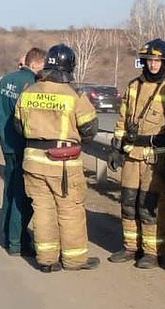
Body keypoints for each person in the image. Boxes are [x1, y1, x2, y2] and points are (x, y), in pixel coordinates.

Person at [14, 45, 101, 272]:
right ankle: (74, 260)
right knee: (70, 210)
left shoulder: (29, 91)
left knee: (42, 210)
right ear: (70, 67)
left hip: (32, 160)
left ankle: (47, 260)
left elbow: (17, 125)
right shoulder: (73, 96)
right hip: (63, 164)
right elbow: (90, 129)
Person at [108, 38, 165, 269]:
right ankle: (131, 246)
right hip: (131, 154)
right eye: (149, 60)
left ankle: (152, 251)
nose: (153, 65)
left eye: (158, 60)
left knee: (150, 205)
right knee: (128, 201)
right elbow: (123, 117)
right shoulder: (133, 85)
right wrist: (116, 146)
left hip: (155, 158)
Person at [0, 47, 43, 255]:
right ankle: (18, 240)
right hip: (24, 146)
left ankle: (7, 234)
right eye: (43, 65)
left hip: (7, 143)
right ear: (35, 64)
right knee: (23, 195)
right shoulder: (33, 85)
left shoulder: (5, 80)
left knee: (10, 191)